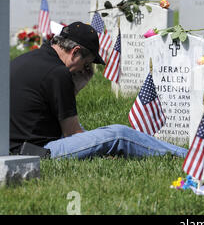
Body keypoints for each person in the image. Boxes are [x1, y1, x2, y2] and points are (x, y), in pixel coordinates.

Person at [10, 21, 187, 159]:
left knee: (102, 135)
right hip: (36, 152)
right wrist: (100, 146)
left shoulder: (28, 59)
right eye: (86, 64)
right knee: (119, 134)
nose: (82, 70)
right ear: (75, 52)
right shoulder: (58, 73)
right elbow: (72, 133)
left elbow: (52, 110)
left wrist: (75, 87)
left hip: (13, 146)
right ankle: (186, 156)